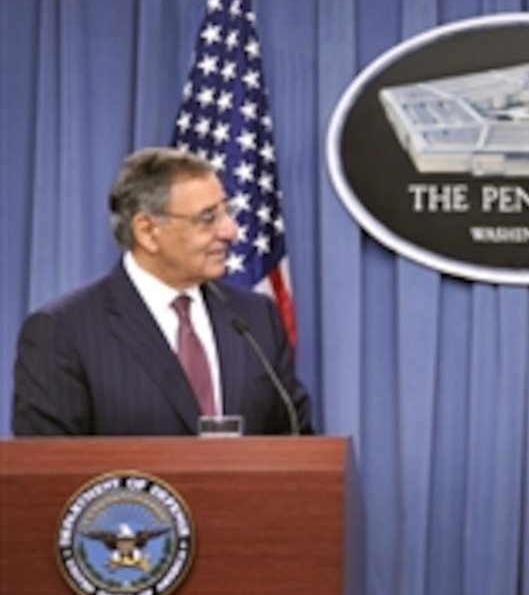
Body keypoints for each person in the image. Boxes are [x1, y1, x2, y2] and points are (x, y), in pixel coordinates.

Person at [12, 147, 313, 435]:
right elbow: (48, 475)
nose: (230, 231)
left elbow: (295, 441)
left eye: (227, 211)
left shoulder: (255, 318)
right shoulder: (64, 331)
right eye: (208, 217)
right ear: (147, 231)